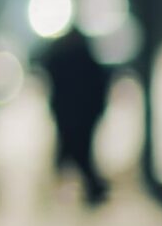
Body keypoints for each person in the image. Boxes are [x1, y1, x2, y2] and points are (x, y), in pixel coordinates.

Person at [36, 23, 112, 208]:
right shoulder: (86, 59)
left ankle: (54, 193)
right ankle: (91, 192)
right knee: (79, 155)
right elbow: (100, 85)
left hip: (70, 116)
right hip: (83, 117)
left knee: (71, 154)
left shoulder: (61, 58)